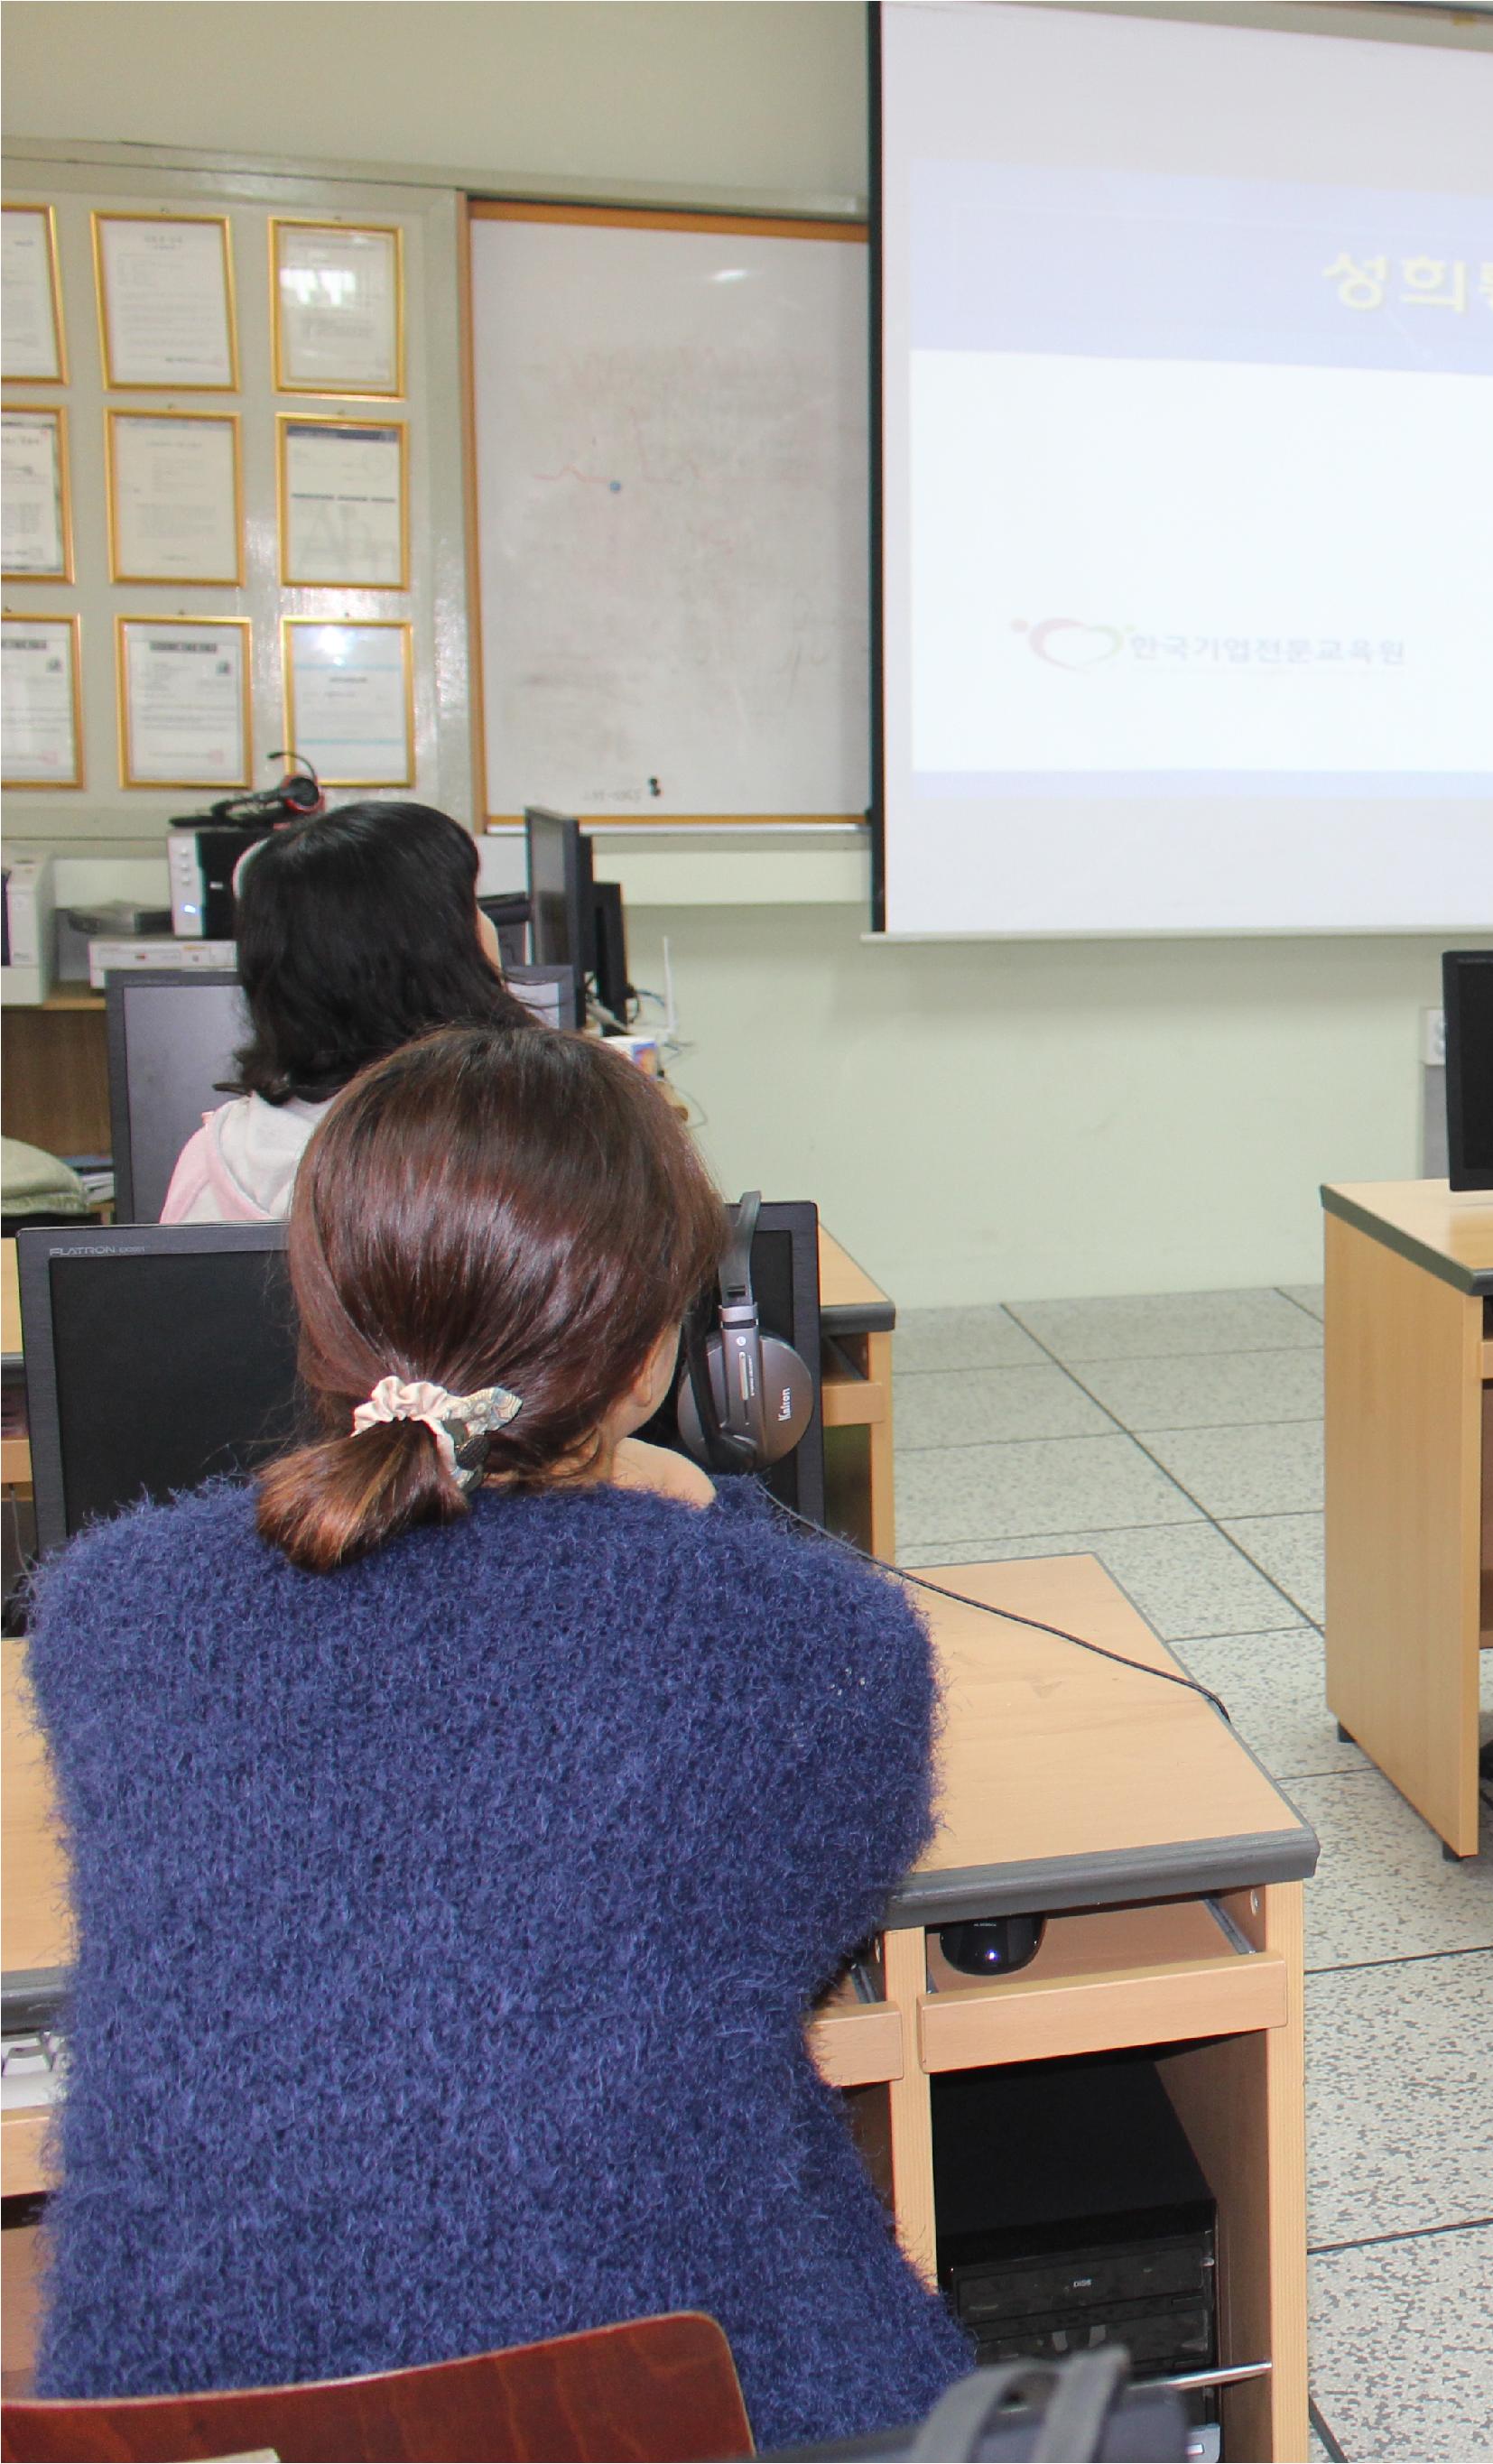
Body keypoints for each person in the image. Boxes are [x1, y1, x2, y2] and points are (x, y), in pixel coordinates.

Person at [30, 1026, 969, 2449]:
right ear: (657, 1348)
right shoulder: (816, 1640)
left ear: (321, 1308)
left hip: (187, 2424)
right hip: (672, 2401)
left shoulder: (107, 1607)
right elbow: (795, 1929)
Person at [162, 799, 538, 1225]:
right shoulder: (514, 1151)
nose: (487, 923)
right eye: (470, 904)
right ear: (431, 956)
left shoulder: (218, 1158)